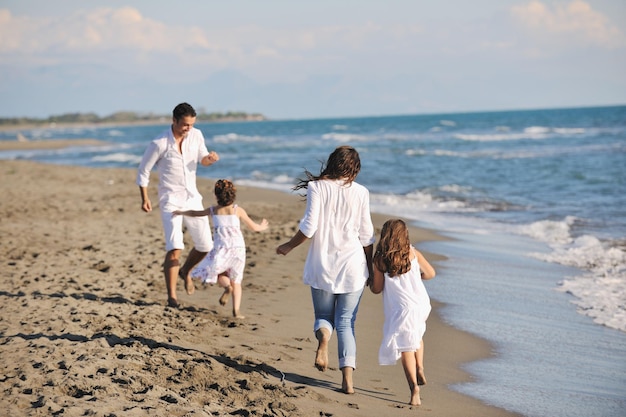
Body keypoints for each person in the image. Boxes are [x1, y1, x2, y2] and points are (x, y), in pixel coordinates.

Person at [276, 145, 375, 395]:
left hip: (323, 264)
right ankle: (347, 381)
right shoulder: (362, 192)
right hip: (353, 265)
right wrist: (371, 269)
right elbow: (366, 235)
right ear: (354, 169)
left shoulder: (317, 187)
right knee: (346, 323)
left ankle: (323, 342)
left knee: (323, 315)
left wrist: (289, 245)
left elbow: (309, 227)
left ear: (332, 163)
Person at [136, 102, 220, 308]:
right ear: (174, 121)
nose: (188, 129)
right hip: (170, 200)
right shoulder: (159, 143)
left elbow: (203, 160)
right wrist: (144, 198)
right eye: (184, 125)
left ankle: (186, 271)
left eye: (191, 125)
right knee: (175, 247)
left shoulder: (197, 135)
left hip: (192, 197)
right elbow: (143, 171)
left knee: (206, 245)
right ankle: (172, 297)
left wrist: (210, 159)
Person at [173, 179, 269, 318]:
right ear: (233, 196)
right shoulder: (237, 210)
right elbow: (253, 227)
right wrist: (262, 225)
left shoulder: (213, 210)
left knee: (219, 274)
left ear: (216, 196)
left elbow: (195, 213)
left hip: (221, 248)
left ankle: (226, 288)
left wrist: (181, 212)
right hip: (238, 249)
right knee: (237, 280)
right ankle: (236, 311)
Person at [368, 219, 436, 406]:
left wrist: (372, 280)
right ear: (404, 235)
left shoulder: (380, 259)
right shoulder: (413, 253)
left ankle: (414, 389)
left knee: (406, 347)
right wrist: (416, 278)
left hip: (401, 309)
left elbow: (377, 289)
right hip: (421, 303)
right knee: (416, 335)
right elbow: (431, 273)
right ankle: (420, 366)